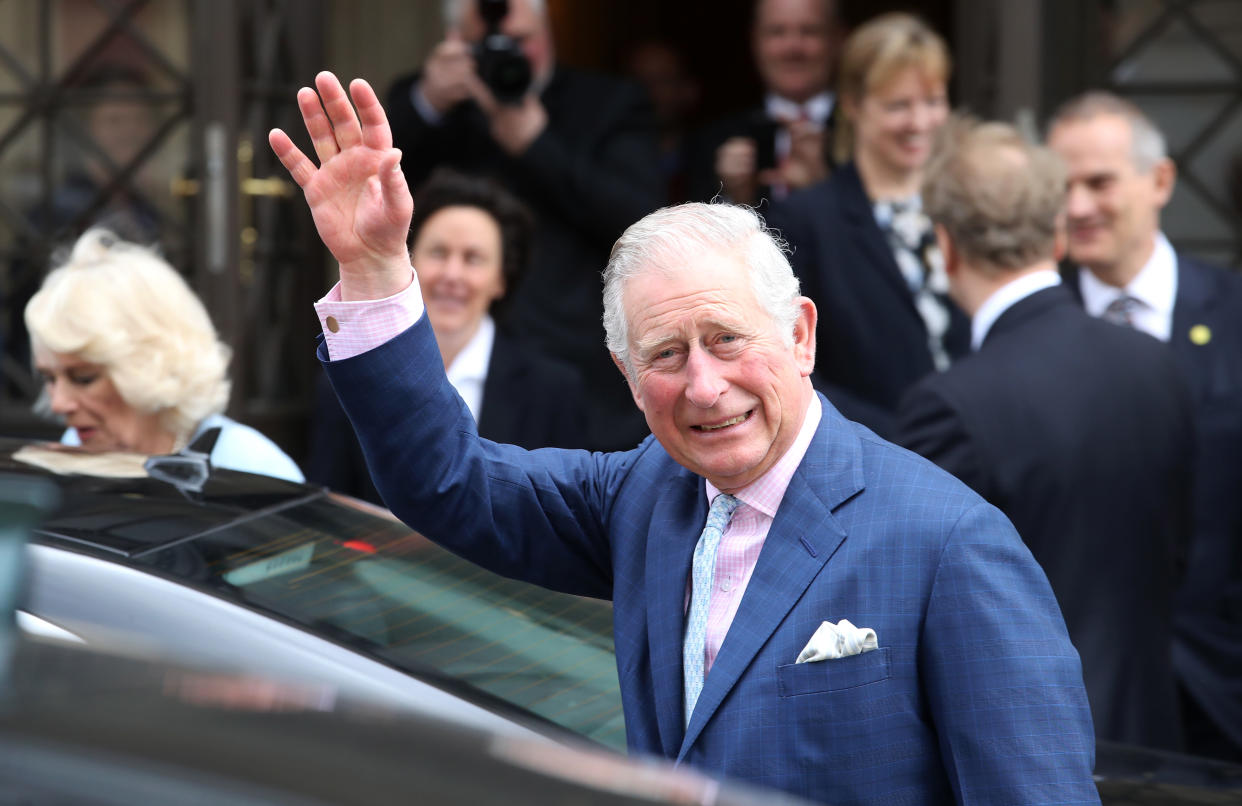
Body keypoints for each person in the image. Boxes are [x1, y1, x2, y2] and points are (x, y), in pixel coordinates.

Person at [270, 71, 1099, 805]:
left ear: (801, 335)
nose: (704, 386)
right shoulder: (642, 495)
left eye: (728, 339)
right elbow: (447, 480)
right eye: (666, 354)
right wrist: (376, 270)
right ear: (626, 377)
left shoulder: (949, 542)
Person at [895, 117, 1195, 751]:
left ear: (945, 245)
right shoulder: (1155, 364)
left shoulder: (951, 406)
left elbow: (921, 602)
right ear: (1056, 234)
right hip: (1157, 738)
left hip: (1027, 744)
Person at [1047, 91, 1242, 762]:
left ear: (1159, 181)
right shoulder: (1025, 338)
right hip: (1083, 699)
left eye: (1098, 182)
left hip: (1224, 693)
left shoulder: (1235, 314)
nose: (1076, 208)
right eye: (1061, 186)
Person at [386, 0, 663, 451]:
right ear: (455, 42)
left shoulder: (611, 103)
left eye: (519, 43)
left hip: (577, 368)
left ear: (548, 31)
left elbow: (641, 222)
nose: (503, 55)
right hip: (451, 359)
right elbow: (376, 185)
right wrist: (428, 101)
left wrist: (536, 143)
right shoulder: (432, 102)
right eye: (485, 45)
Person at [306, 168, 588, 504]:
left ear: (501, 279)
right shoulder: (351, 381)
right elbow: (330, 506)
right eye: (438, 253)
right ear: (408, 264)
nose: (452, 275)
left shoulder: (553, 392)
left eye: (473, 258)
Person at [767, 13, 969, 436]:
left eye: (933, 101)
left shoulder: (969, 205)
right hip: (880, 457)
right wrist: (901, 439)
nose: (920, 122)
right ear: (853, 104)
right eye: (899, 105)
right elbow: (792, 364)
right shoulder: (805, 220)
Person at [24, 228, 303, 482]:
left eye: (83, 378)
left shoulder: (250, 468)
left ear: (151, 366)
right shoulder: (74, 446)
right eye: (49, 378)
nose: (59, 404)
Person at [687, 0, 841, 207]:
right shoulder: (713, 140)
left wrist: (824, 189)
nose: (792, 48)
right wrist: (736, 200)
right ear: (754, 41)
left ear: (838, 38)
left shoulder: (868, 132)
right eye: (776, 32)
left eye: (809, 31)